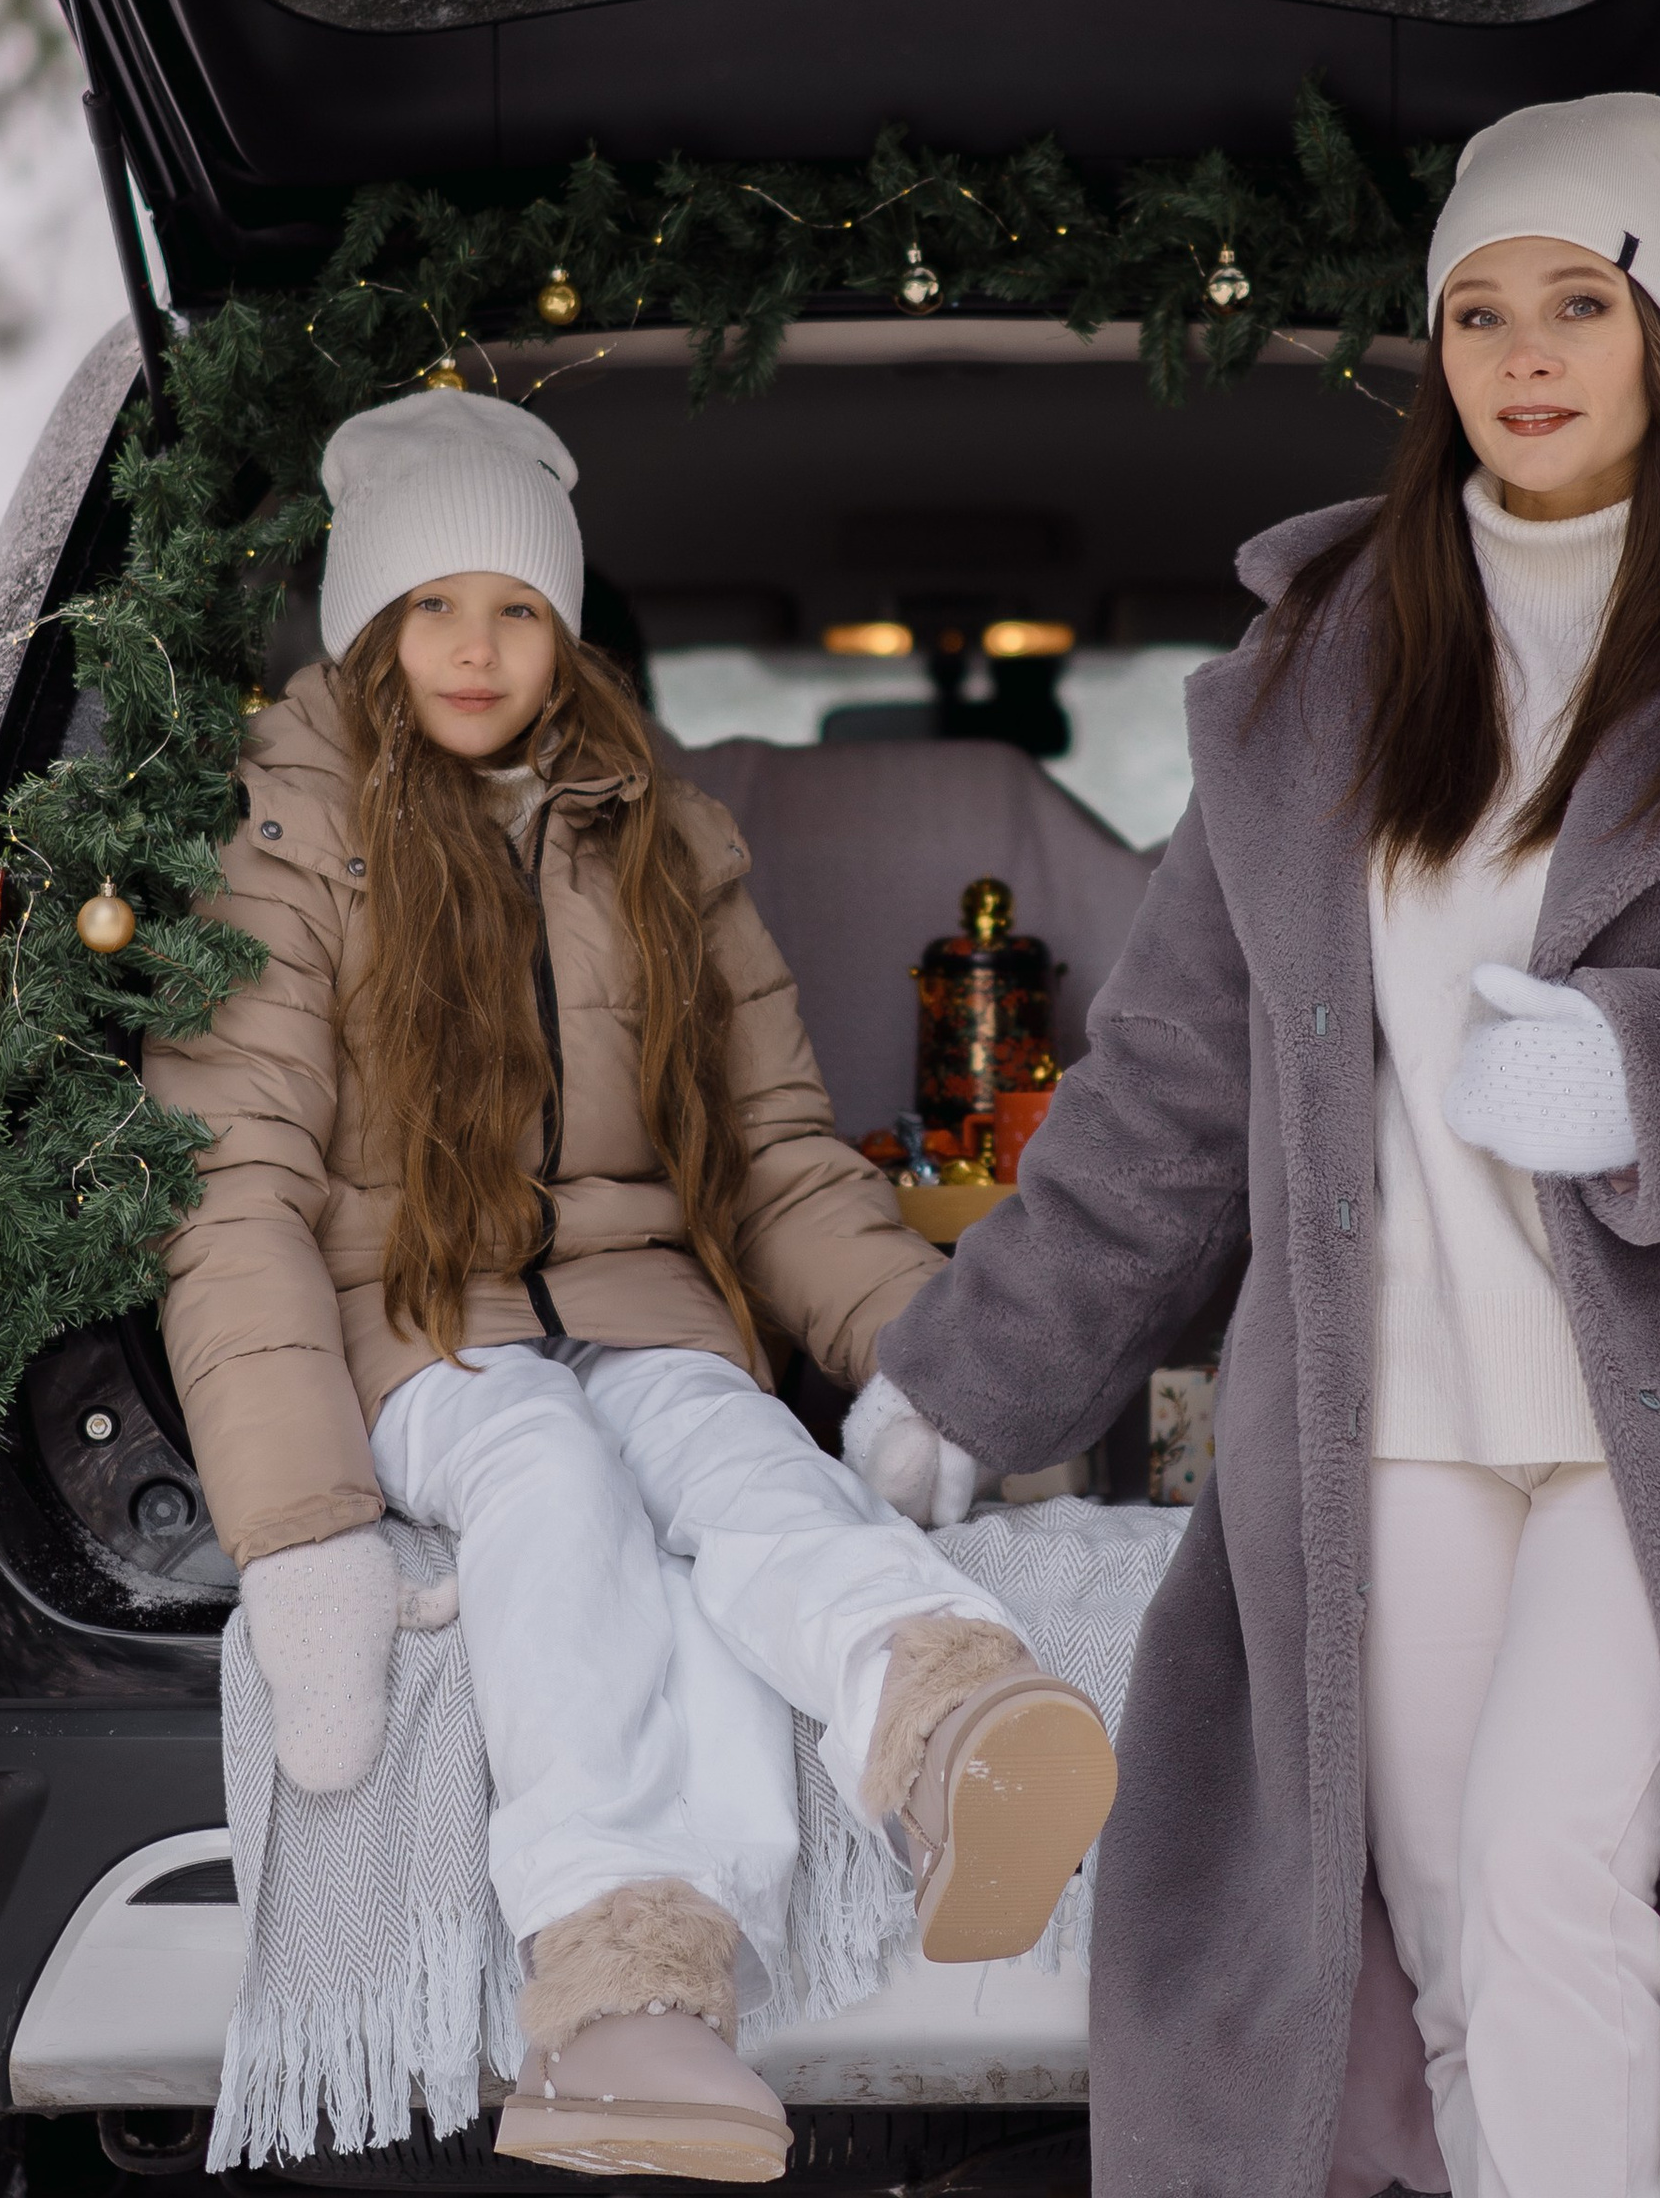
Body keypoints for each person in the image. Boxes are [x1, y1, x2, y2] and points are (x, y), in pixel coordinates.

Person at [843, 92, 1660, 2198]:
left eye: (1574, 299)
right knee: (1457, 1952)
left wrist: (1646, 1076)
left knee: (1544, 1882)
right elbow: (1171, 1086)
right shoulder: (1317, 677)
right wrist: (971, 1369)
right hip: (1380, 1429)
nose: (1522, 351)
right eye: (1475, 311)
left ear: (1656, 337)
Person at [147, 388, 1118, 2185]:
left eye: (517, 608)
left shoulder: (654, 831)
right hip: (416, 1315)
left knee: (750, 1467)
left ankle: (953, 1719)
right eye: (433, 605)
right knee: (551, 1492)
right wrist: (300, 1527)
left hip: (644, 1299)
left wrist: (948, 1362)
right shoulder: (286, 838)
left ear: (565, 628)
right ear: (366, 622)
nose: (475, 646)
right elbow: (233, 1191)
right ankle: (626, 1990)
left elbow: (775, 1156)